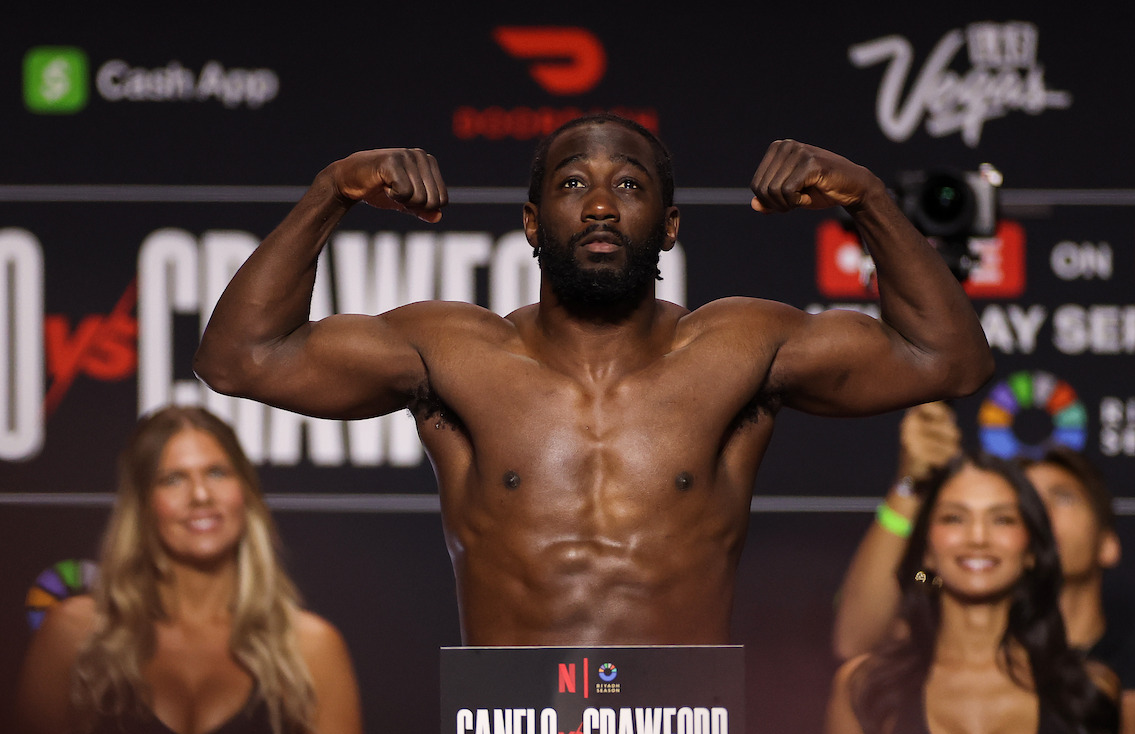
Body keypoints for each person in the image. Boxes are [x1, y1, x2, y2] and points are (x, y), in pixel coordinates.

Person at [193, 112, 994, 647]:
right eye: (574, 184)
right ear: (534, 224)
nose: (603, 206)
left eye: (632, 186)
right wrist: (331, 191)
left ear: (670, 226)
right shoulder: (450, 351)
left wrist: (868, 198)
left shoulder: (740, 347)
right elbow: (240, 358)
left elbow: (947, 359)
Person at [833, 402, 1135, 734]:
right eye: (956, 517)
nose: (981, 532)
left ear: (1107, 542)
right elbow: (865, 634)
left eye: (1060, 498)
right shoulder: (924, 617)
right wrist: (910, 486)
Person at [12, 405, 369, 734]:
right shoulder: (75, 632)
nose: (200, 495)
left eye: (216, 473)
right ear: (143, 504)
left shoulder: (308, 646)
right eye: (173, 479)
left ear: (245, 492)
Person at [819, 452, 1122, 734]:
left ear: (1032, 550)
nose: (978, 536)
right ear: (927, 553)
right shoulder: (866, 689)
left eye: (1003, 520)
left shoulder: (1088, 693)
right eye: (954, 518)